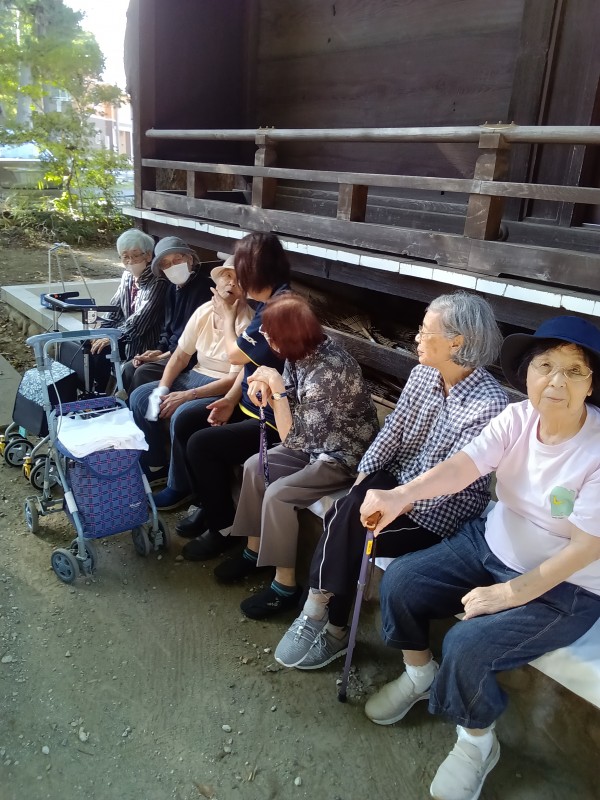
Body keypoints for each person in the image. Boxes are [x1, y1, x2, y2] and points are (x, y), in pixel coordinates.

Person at [357, 315, 600, 800]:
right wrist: (401, 495)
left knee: (467, 645)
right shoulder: (517, 418)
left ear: (592, 384)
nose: (556, 381)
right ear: (527, 372)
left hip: (567, 586)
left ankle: (477, 741)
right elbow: (463, 466)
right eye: (545, 365)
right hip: (490, 543)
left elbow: (587, 547)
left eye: (574, 371)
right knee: (403, 579)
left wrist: (508, 593)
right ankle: (419, 674)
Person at [274, 291, 508, 670]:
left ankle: (326, 621)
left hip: (439, 509)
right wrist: (361, 483)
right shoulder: (422, 374)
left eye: (425, 331)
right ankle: (321, 614)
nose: (416, 337)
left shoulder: (489, 403)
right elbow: (392, 433)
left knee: (352, 526)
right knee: (347, 511)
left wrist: (389, 499)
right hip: (395, 480)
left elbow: (449, 478)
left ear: (456, 343)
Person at [213, 294, 379, 619]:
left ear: (287, 336)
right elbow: (290, 403)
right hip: (313, 442)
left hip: (344, 454)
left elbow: (292, 435)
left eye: (269, 332)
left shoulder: (328, 373)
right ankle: (253, 551)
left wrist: (274, 388)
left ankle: (284, 585)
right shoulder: (302, 350)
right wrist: (265, 386)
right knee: (255, 466)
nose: (264, 336)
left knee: (279, 494)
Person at [153, 232, 290, 561]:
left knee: (202, 444)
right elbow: (251, 365)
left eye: (239, 271)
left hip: (274, 417)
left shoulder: (276, 310)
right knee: (187, 421)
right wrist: (229, 400)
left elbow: (236, 356)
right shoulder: (268, 302)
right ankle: (207, 504)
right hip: (249, 401)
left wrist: (228, 317)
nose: (234, 280)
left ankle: (222, 528)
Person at [129, 260, 253, 486]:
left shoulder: (248, 322)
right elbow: (180, 356)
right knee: (141, 397)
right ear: (217, 282)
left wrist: (187, 395)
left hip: (220, 387)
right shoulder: (204, 311)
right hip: (193, 375)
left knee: (182, 414)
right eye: (227, 276)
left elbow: (234, 378)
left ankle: (180, 485)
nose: (231, 284)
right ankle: (156, 463)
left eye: (239, 279)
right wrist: (163, 389)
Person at [121, 236, 213, 394]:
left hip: (190, 357)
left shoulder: (204, 287)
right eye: (165, 264)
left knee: (144, 372)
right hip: (171, 353)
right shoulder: (172, 288)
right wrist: (158, 350)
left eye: (177, 260)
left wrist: (160, 357)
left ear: (190, 259)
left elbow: (191, 340)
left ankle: (146, 407)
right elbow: (167, 329)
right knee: (130, 367)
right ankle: (126, 407)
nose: (172, 266)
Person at [89, 228, 167, 392]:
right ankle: (96, 394)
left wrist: (112, 336)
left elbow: (140, 321)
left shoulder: (158, 281)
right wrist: (101, 332)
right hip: (124, 336)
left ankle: (106, 395)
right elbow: (114, 310)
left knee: (103, 349)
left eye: (135, 255)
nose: (130, 261)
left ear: (148, 255)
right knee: (88, 345)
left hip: (143, 342)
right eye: (125, 256)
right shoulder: (127, 277)